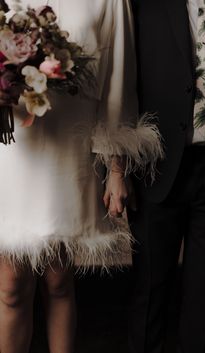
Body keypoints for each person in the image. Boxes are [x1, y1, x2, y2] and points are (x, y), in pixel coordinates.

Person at [0, 1, 162, 353]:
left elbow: (119, 82)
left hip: (70, 148)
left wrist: (116, 169)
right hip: (14, 148)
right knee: (11, 287)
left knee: (59, 281)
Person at [128, 1, 205, 353]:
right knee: (149, 295)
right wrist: (116, 167)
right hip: (160, 162)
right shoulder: (146, 5)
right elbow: (125, 76)